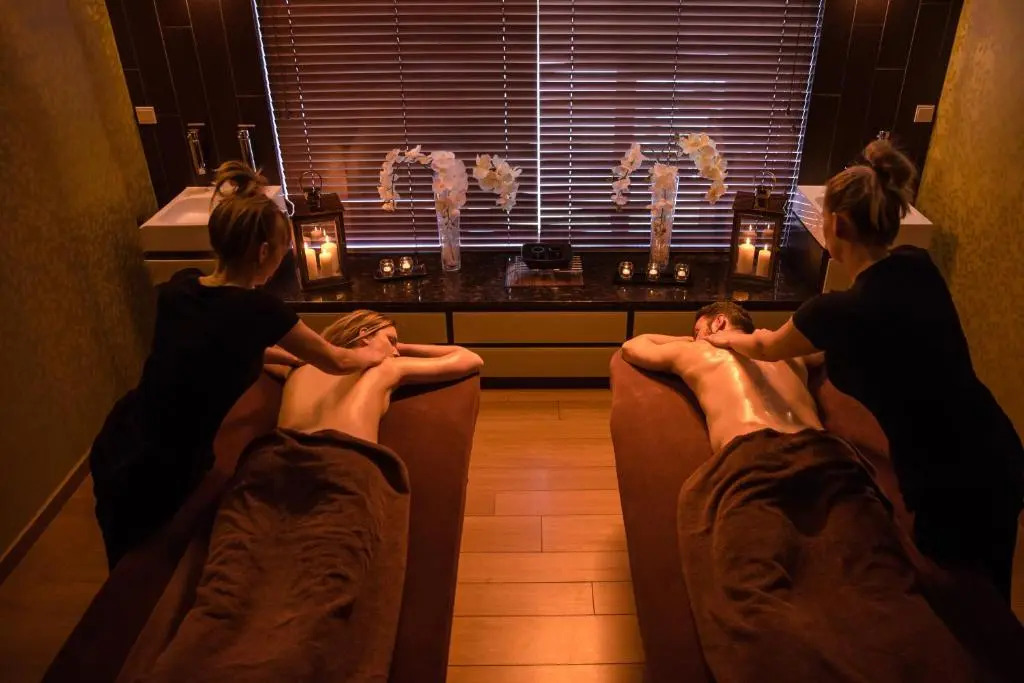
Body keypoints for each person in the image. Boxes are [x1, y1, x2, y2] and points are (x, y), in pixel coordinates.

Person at [705, 140, 1024, 600]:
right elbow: (889, 343)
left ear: (837, 225)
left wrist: (724, 339)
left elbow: (766, 347)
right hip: (996, 444)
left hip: (947, 478)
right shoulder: (917, 266)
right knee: (992, 591)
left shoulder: (837, 311)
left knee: (957, 601)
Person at [89, 163, 388, 569]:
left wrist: (288, 356)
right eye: (283, 249)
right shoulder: (259, 309)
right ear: (264, 253)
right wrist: (372, 355)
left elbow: (217, 345)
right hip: (160, 467)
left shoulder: (180, 288)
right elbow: (336, 360)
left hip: (119, 436)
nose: (284, 257)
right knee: (146, 565)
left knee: (121, 555)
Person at [621, 301, 823, 453]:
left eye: (698, 330)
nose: (696, 338)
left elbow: (632, 346)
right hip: (820, 449)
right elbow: (825, 349)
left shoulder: (697, 349)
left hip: (754, 452)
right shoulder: (787, 352)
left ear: (719, 322)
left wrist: (693, 341)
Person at [277, 309, 484, 442]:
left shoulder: (297, 366)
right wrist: (403, 348)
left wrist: (393, 345)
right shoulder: (384, 368)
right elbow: (470, 358)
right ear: (365, 335)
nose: (396, 352)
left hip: (278, 456)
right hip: (341, 459)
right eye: (391, 340)